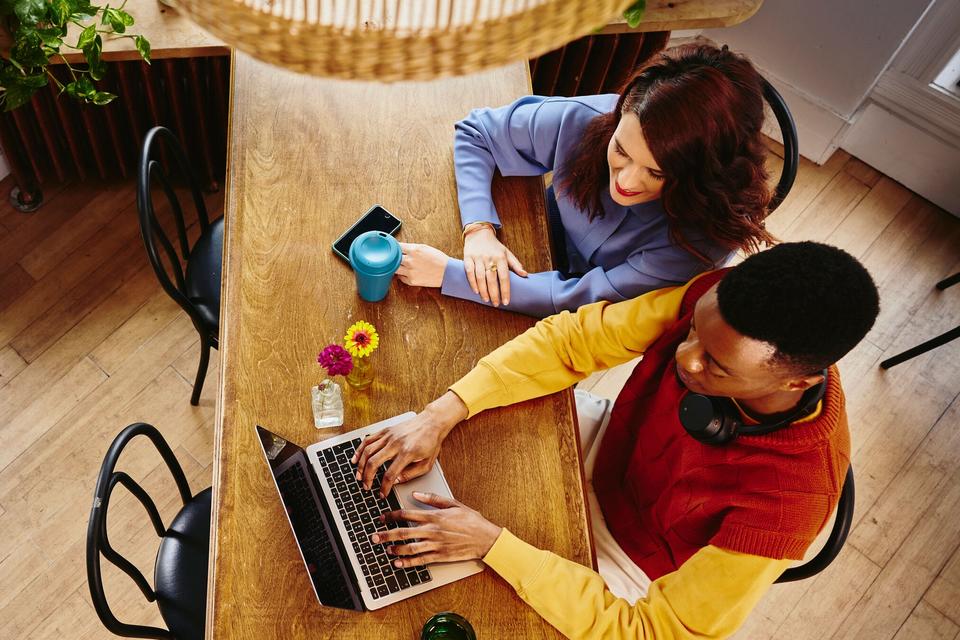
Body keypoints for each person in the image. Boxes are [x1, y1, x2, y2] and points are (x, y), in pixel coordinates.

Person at [352, 242, 880, 639]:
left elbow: (654, 632)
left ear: (797, 383)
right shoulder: (718, 299)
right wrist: (441, 413)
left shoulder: (792, 503)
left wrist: (494, 545)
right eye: (693, 330)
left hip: (635, 560)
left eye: (715, 365)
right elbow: (573, 339)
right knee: (425, 428)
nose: (684, 357)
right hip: (608, 443)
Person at [395, 43, 775, 318]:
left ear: (700, 176)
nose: (625, 181)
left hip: (591, 314)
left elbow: (582, 301)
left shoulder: (697, 242)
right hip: (533, 234)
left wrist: (450, 273)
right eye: (621, 150)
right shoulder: (590, 118)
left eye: (656, 172)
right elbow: (478, 133)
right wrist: (479, 227)